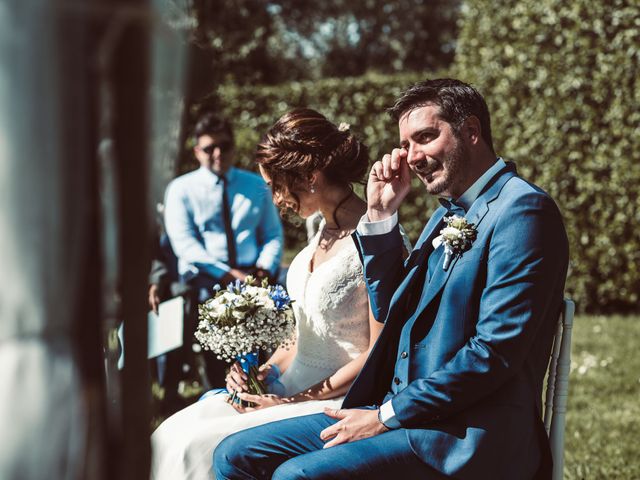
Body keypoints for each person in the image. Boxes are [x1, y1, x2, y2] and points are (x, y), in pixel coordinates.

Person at [213, 78, 570, 479]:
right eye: (406, 144)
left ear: (471, 131)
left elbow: (492, 354)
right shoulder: (446, 213)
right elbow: (393, 310)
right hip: (396, 410)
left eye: (425, 137)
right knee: (234, 454)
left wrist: (385, 416)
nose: (412, 156)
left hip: (460, 437)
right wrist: (381, 217)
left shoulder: (523, 212)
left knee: (296, 476)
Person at [151, 109, 410, 480]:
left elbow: (378, 352)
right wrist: (259, 372)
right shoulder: (321, 230)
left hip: (336, 397)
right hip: (288, 386)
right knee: (171, 433)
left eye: (276, 185)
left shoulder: (379, 241)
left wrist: (291, 401)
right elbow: (301, 334)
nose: (274, 199)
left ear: (310, 177)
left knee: (197, 445)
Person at [163, 112, 284, 387]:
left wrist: (265, 268)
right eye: (209, 148)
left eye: (224, 146)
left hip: (255, 275)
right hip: (207, 280)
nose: (218, 153)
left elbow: (272, 233)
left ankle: (264, 387)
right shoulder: (181, 189)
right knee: (219, 357)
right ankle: (217, 389)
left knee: (264, 347)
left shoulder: (255, 185)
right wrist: (227, 274)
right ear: (197, 151)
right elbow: (184, 243)